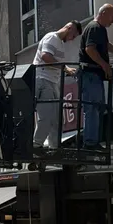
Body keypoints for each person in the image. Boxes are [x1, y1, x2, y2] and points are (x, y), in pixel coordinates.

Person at [78, 4, 113, 148]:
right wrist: (104, 65)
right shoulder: (94, 27)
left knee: (98, 107)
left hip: (94, 75)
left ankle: (92, 140)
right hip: (90, 74)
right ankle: (90, 142)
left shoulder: (99, 29)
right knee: (93, 107)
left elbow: (106, 45)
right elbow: (90, 49)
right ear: (104, 13)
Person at [33, 20, 82, 149]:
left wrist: (65, 70)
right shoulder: (52, 37)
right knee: (47, 115)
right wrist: (65, 68)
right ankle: (36, 145)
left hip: (52, 81)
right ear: (69, 28)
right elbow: (45, 56)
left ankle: (54, 148)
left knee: (57, 119)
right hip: (44, 79)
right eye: (73, 35)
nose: (72, 39)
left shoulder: (59, 43)